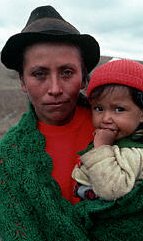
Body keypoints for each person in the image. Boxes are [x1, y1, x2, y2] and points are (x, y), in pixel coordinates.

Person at [0, 5, 100, 241]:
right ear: (23, 81)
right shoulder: (8, 157)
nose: (55, 89)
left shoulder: (123, 132)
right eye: (39, 74)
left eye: (67, 72)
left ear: (84, 77)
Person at [72, 60, 143, 240]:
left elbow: (112, 189)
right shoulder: (122, 138)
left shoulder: (139, 152)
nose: (106, 118)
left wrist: (101, 147)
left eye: (119, 109)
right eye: (99, 108)